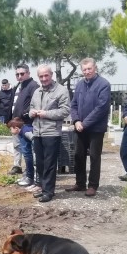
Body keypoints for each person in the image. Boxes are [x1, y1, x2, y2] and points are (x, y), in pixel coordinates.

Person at [66, 58, 111, 197]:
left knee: (94, 156)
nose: (87, 72)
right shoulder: (80, 84)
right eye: (84, 69)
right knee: (78, 155)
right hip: (80, 127)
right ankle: (80, 183)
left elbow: (101, 108)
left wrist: (84, 123)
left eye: (89, 69)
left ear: (95, 68)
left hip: (96, 128)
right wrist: (76, 121)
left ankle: (92, 185)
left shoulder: (103, 84)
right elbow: (73, 105)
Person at [28, 65, 70, 202]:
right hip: (38, 132)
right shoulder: (37, 91)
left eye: (46, 75)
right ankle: (43, 188)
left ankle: (48, 191)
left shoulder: (61, 90)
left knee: (49, 164)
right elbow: (31, 108)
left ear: (51, 75)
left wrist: (46, 114)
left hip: (52, 132)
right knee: (40, 163)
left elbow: (65, 111)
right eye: (41, 76)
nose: (44, 78)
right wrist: (32, 112)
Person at [10, 64, 39, 178]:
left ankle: (33, 175)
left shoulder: (33, 85)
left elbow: (35, 104)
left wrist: (24, 114)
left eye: (22, 74)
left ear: (28, 73)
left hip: (28, 123)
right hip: (17, 123)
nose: (19, 76)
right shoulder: (19, 86)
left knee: (31, 150)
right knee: (22, 149)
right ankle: (27, 173)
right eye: (17, 74)